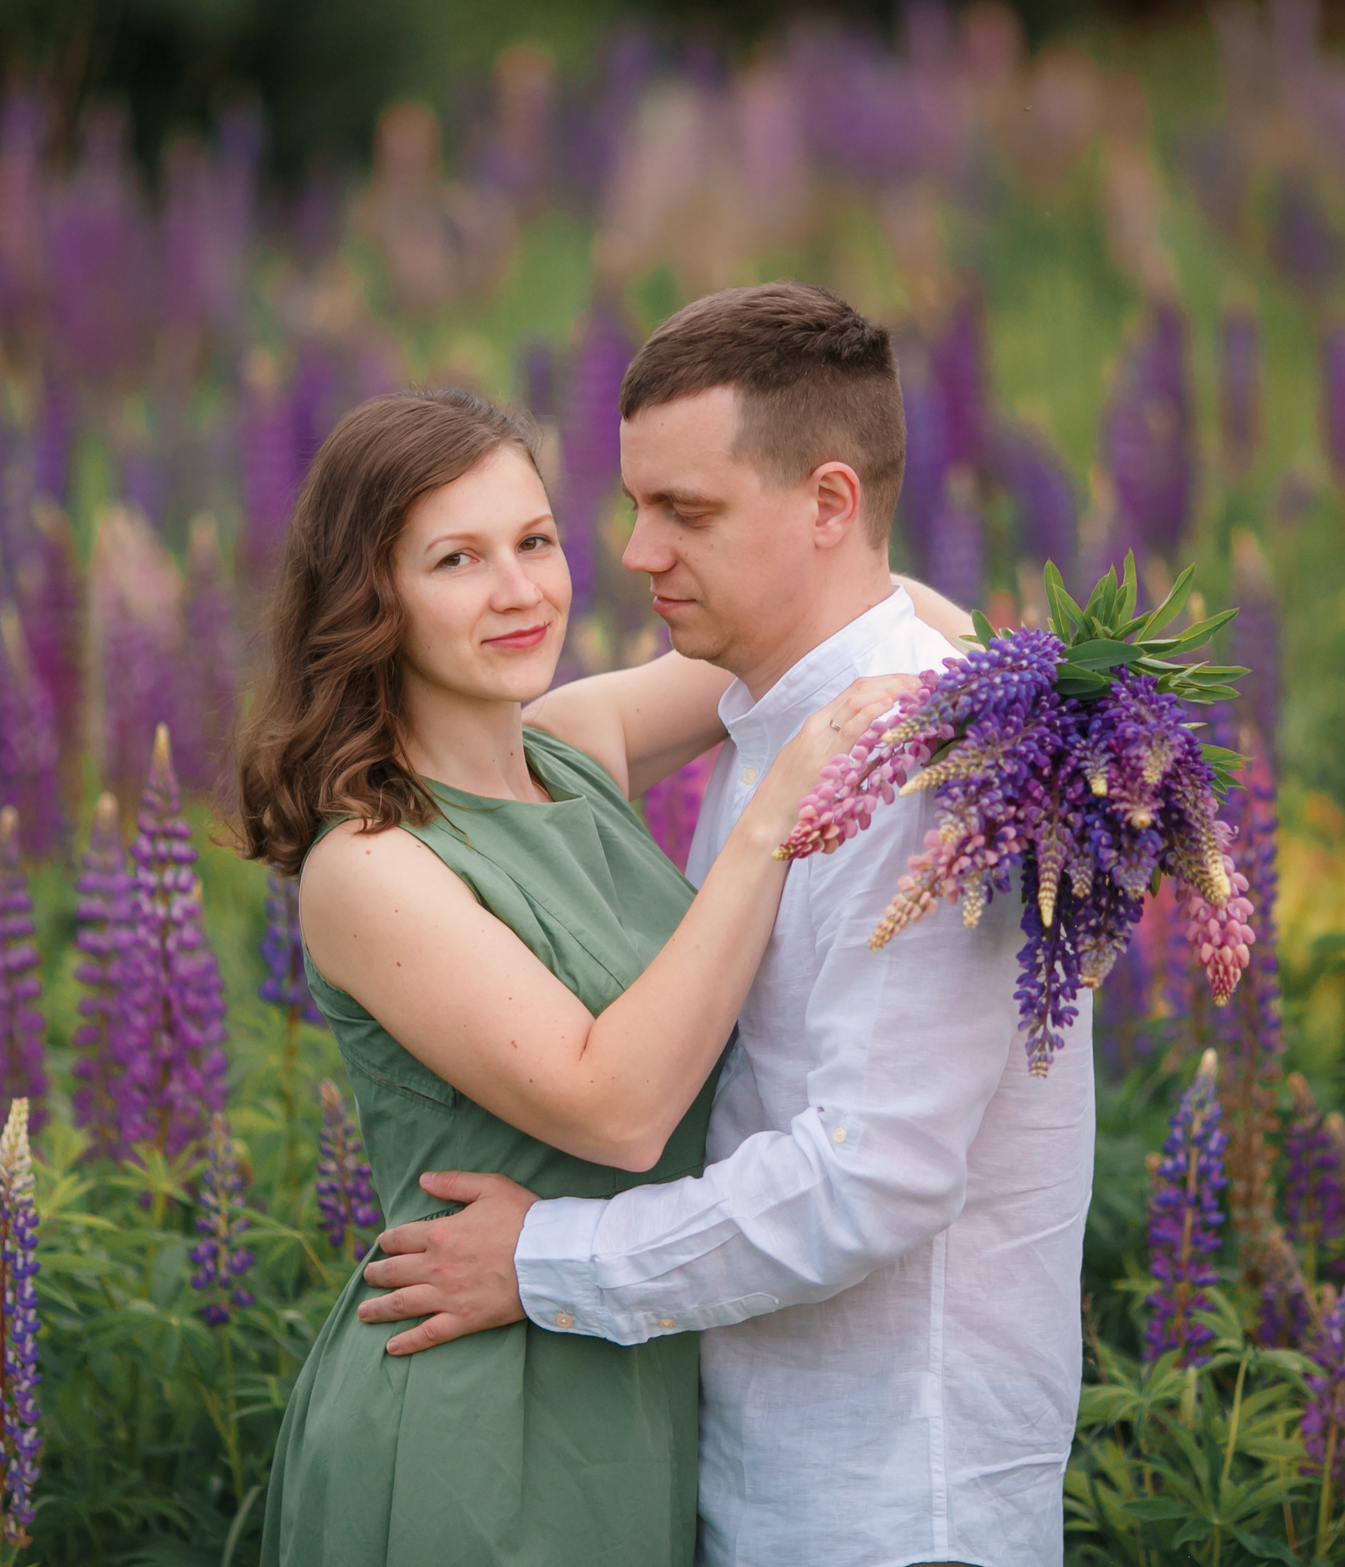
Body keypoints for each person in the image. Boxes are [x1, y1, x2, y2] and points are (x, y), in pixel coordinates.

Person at [354, 282, 1095, 1567]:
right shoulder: (782, 723)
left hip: (892, 1502)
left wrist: (547, 1260)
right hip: (765, 1469)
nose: (636, 553)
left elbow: (873, 1175)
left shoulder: (920, 771)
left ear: (828, 504)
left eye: (685, 512)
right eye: (636, 506)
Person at [241, 386, 923, 1567]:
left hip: (625, 1370)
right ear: (371, 599)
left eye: (536, 541)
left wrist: (1051, 706)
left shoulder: (572, 748)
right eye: (456, 559)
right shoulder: (369, 864)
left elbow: (856, 619)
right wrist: (774, 816)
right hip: (475, 1416)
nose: (519, 591)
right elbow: (616, 1108)